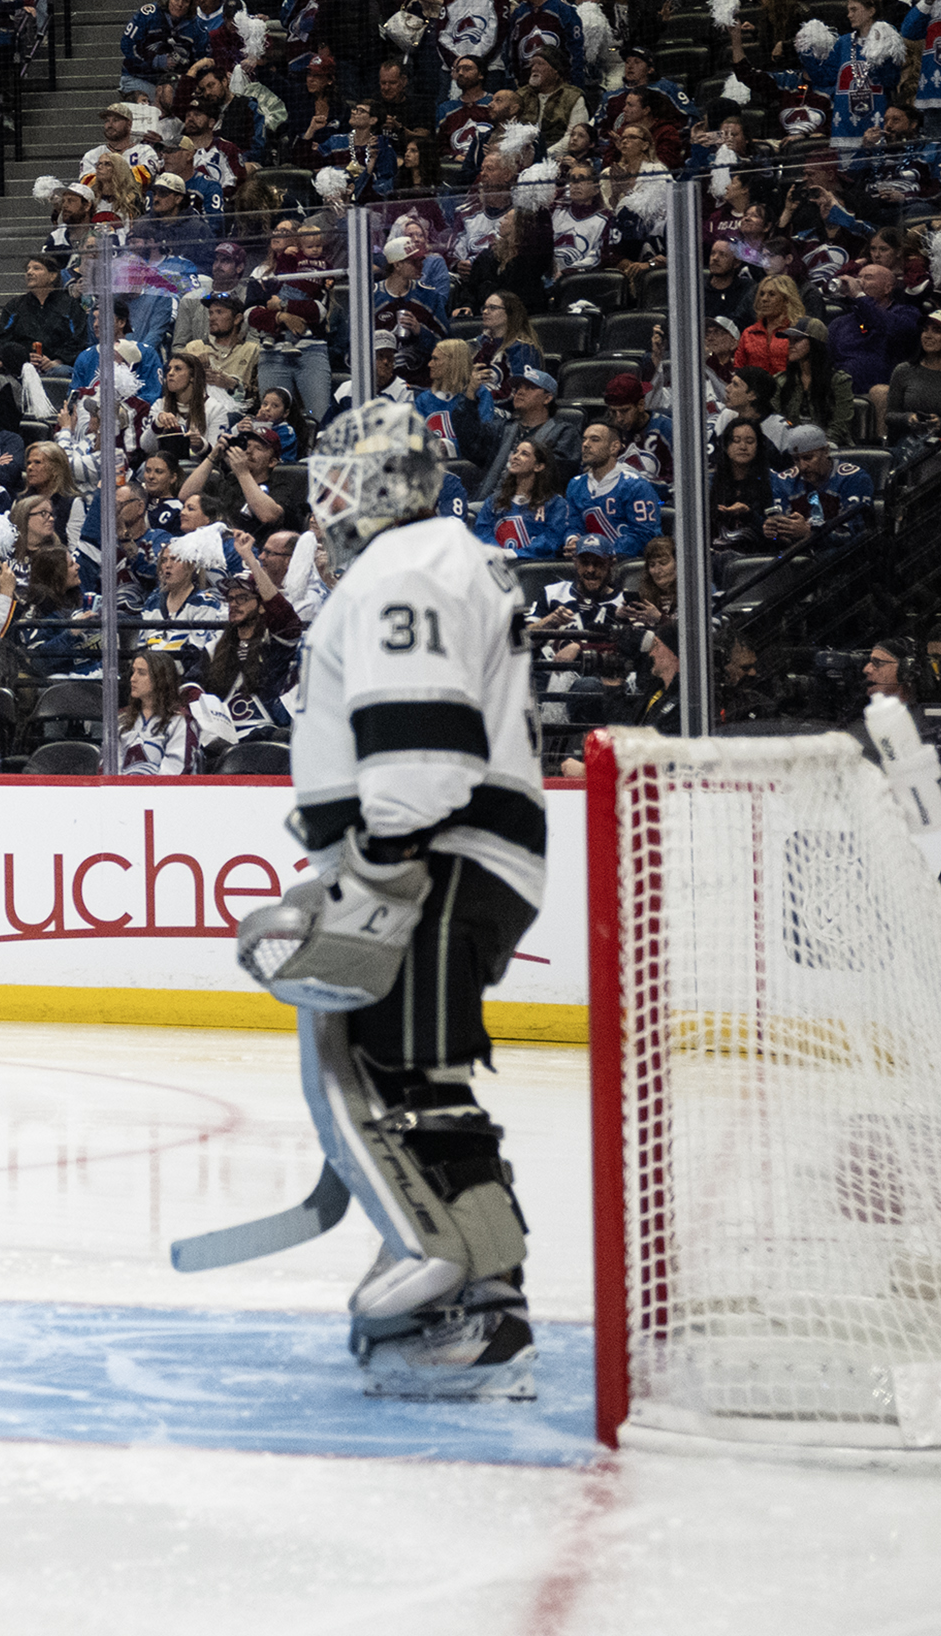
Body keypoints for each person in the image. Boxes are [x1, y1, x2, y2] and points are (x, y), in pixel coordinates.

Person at [224, 400, 549, 1400]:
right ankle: (477, 1290)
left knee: (406, 1079)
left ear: (381, 483)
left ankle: (476, 1303)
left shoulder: (406, 565)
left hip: (437, 854)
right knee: (407, 1073)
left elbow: (422, 750)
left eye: (338, 477)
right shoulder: (443, 557)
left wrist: (377, 860)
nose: (325, 501)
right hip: (457, 851)